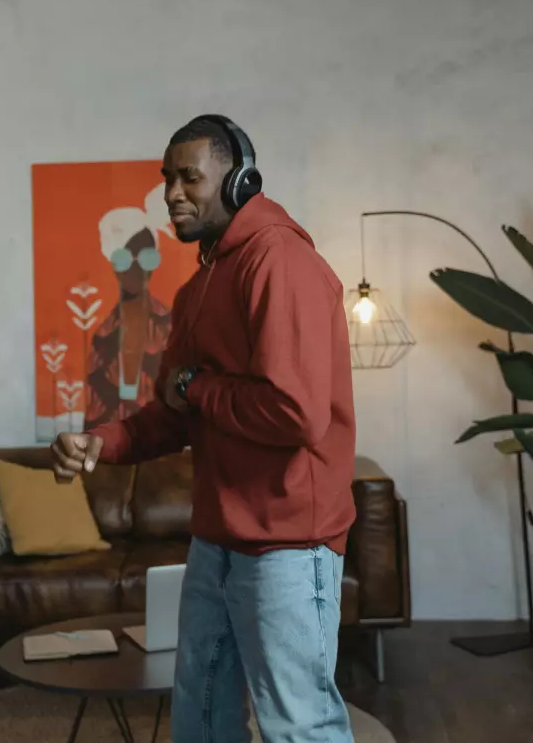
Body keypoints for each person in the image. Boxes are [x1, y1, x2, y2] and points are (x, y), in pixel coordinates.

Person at [51, 115, 357, 743]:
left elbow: (296, 413)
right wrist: (100, 443)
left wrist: (198, 386)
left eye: (190, 177)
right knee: (203, 711)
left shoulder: (280, 262)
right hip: (217, 539)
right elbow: (175, 412)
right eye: (167, 179)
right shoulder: (197, 288)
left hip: (288, 544)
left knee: (298, 726)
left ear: (240, 181)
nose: (172, 193)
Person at [83, 184, 174, 429]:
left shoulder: (173, 327)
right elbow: (93, 421)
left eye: (146, 257)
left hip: (166, 456)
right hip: (112, 457)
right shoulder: (102, 338)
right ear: (112, 264)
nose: (136, 268)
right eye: (124, 259)